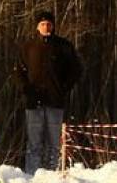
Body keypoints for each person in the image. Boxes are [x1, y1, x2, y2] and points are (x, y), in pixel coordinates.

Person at [13, 10, 82, 173]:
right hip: (33, 102)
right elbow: (18, 72)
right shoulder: (28, 47)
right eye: (43, 24)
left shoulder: (63, 46)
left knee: (53, 143)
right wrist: (26, 89)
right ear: (37, 27)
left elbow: (76, 69)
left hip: (55, 102)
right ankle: (31, 175)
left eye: (49, 24)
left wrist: (64, 88)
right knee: (34, 143)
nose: (46, 27)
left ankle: (51, 174)